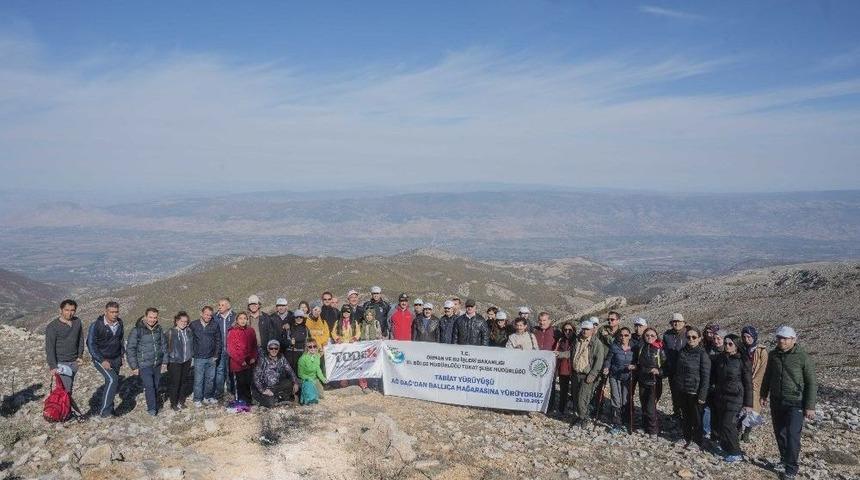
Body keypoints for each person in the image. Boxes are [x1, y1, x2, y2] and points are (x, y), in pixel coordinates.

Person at [760, 326, 817, 480]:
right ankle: (784, 459)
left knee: (793, 435)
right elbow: (768, 376)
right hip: (777, 400)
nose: (781, 341)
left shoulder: (803, 357)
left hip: (796, 402)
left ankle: (791, 468)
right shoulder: (773, 355)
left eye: (785, 338)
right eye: (779, 338)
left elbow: (811, 382)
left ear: (794, 339)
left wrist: (810, 406)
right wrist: (763, 394)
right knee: (780, 433)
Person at [710, 333, 753, 463]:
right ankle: (726, 448)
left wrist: (748, 403)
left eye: (730, 344)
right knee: (722, 424)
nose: (727, 346)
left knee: (728, 424)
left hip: (736, 398)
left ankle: (736, 452)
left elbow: (748, 383)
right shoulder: (720, 358)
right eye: (726, 344)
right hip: (721, 396)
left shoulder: (743, 360)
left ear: (736, 345)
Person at [672, 326, 710, 449]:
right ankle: (686, 437)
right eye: (688, 337)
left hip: (695, 391)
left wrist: (702, 395)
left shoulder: (703, 354)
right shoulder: (683, 351)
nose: (691, 339)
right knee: (686, 416)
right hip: (683, 390)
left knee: (697, 418)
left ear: (699, 339)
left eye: (694, 337)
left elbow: (705, 376)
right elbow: (678, 370)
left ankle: (697, 440)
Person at [45, 299, 85, 418]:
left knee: (68, 388)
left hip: (74, 362)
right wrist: (53, 366)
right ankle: (63, 414)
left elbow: (81, 340)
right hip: (61, 363)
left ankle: (62, 411)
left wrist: (80, 356)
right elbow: (50, 348)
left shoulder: (77, 322)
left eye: (72, 310)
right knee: (66, 390)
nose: (70, 313)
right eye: (67, 310)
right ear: (61, 310)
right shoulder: (52, 326)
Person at [126, 307, 167, 416]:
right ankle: (152, 409)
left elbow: (164, 345)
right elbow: (130, 348)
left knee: (156, 385)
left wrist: (165, 361)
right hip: (144, 364)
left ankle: (155, 401)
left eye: (155, 317)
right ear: (145, 317)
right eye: (150, 317)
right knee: (149, 386)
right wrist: (134, 366)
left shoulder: (159, 329)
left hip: (157, 363)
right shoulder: (137, 330)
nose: (152, 320)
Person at [87, 300, 125, 418]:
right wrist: (101, 360)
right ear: (105, 312)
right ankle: (105, 412)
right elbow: (91, 344)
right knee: (113, 380)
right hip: (102, 359)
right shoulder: (96, 325)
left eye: (116, 312)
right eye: (111, 312)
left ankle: (110, 408)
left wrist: (122, 355)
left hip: (116, 358)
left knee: (112, 383)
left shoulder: (120, 323)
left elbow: (121, 340)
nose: (114, 314)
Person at [569, 320, 606, 429]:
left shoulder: (597, 343)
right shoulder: (577, 340)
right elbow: (572, 354)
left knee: (583, 398)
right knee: (575, 397)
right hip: (576, 373)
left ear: (592, 330)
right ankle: (579, 416)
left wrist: (593, 375)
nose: (585, 331)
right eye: (583, 329)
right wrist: (560, 354)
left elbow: (599, 361)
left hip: (587, 375)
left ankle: (584, 418)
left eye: (587, 329)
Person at [632, 327, 667, 437]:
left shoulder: (659, 349)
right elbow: (639, 363)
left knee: (650, 406)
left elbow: (666, 366)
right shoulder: (641, 347)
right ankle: (645, 426)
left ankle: (653, 430)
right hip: (643, 380)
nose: (650, 337)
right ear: (644, 336)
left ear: (656, 337)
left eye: (652, 335)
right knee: (643, 404)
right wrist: (634, 366)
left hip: (654, 381)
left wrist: (659, 371)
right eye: (647, 335)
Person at [602, 327, 634, 434]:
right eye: (621, 335)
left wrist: (634, 367)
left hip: (627, 377)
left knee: (625, 399)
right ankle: (617, 423)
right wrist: (606, 367)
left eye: (626, 335)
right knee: (616, 398)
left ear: (629, 336)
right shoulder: (614, 347)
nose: (623, 337)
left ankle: (625, 422)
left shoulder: (634, 348)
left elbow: (637, 362)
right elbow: (608, 360)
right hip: (614, 376)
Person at [741, 325, 768, 442]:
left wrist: (754, 383)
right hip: (742, 382)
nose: (747, 339)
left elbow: (762, 369)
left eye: (749, 336)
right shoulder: (741, 349)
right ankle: (737, 431)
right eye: (744, 337)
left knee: (753, 410)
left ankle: (746, 432)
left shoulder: (761, 351)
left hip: (755, 384)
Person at [253, 340, 299, 407]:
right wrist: (263, 390)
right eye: (271, 348)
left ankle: (278, 397)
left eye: (276, 348)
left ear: (278, 349)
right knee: (270, 404)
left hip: (276, 386)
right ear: (268, 349)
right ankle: (265, 399)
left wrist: (295, 382)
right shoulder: (263, 359)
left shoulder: (281, 358)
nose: (273, 350)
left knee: (289, 383)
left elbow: (290, 371)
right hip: (265, 387)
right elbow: (255, 376)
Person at [190, 306, 221, 407]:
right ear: (201, 313)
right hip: (198, 357)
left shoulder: (215, 325)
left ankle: (208, 397)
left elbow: (218, 340)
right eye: (206, 314)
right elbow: (189, 339)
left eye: (210, 315)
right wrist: (192, 354)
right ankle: (197, 399)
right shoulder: (194, 325)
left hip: (211, 357)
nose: (208, 316)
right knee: (198, 379)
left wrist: (216, 354)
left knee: (210, 379)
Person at [226, 312, 258, 406]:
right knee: (240, 383)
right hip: (237, 363)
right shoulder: (232, 332)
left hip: (249, 362)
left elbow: (254, 346)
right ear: (237, 320)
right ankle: (240, 402)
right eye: (240, 318)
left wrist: (253, 357)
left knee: (248, 382)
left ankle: (248, 401)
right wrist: (241, 361)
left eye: (245, 318)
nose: (243, 320)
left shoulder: (251, 330)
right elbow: (231, 349)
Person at [166, 311, 194, 411]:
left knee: (183, 382)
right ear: (177, 321)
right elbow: (165, 348)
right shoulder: (170, 332)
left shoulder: (188, 331)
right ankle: (173, 403)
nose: (184, 323)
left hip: (186, 360)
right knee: (175, 383)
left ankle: (181, 401)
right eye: (182, 321)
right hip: (175, 361)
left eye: (186, 321)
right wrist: (166, 361)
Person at [663, 312, 689, 417]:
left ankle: (686, 413)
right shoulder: (667, 335)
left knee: (685, 393)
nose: (676, 323)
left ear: (683, 322)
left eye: (678, 321)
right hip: (672, 369)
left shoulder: (688, 334)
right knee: (674, 392)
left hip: (685, 370)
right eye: (674, 321)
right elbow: (664, 351)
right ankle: (677, 412)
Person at [214, 298, 236, 401]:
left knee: (231, 371)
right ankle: (219, 394)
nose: (219, 306)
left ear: (228, 306)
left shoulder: (235, 317)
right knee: (220, 371)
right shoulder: (215, 317)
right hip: (219, 349)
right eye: (219, 304)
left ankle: (232, 392)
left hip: (231, 349)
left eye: (222, 305)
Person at [554, 322, 575, 415]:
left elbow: (573, 353)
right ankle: (561, 409)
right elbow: (556, 350)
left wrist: (561, 354)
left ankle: (574, 410)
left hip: (574, 368)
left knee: (575, 390)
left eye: (569, 330)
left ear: (573, 330)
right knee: (563, 390)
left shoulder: (577, 340)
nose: (567, 331)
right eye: (565, 330)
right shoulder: (561, 340)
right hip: (563, 367)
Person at [298, 339, 327, 403]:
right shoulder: (302, 359)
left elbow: (318, 369)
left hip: (314, 378)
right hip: (305, 379)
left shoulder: (317, 356)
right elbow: (300, 374)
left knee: (321, 396)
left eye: (314, 346)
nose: (313, 348)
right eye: (310, 347)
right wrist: (309, 379)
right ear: (307, 348)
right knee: (311, 398)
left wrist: (323, 379)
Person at [285, 309, 311, 375]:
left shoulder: (306, 328)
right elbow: (282, 341)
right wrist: (289, 342)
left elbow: (309, 341)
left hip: (302, 354)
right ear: (294, 317)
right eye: (297, 317)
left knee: (301, 374)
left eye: (301, 317)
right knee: (291, 376)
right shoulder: (288, 327)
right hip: (291, 355)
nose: (299, 318)